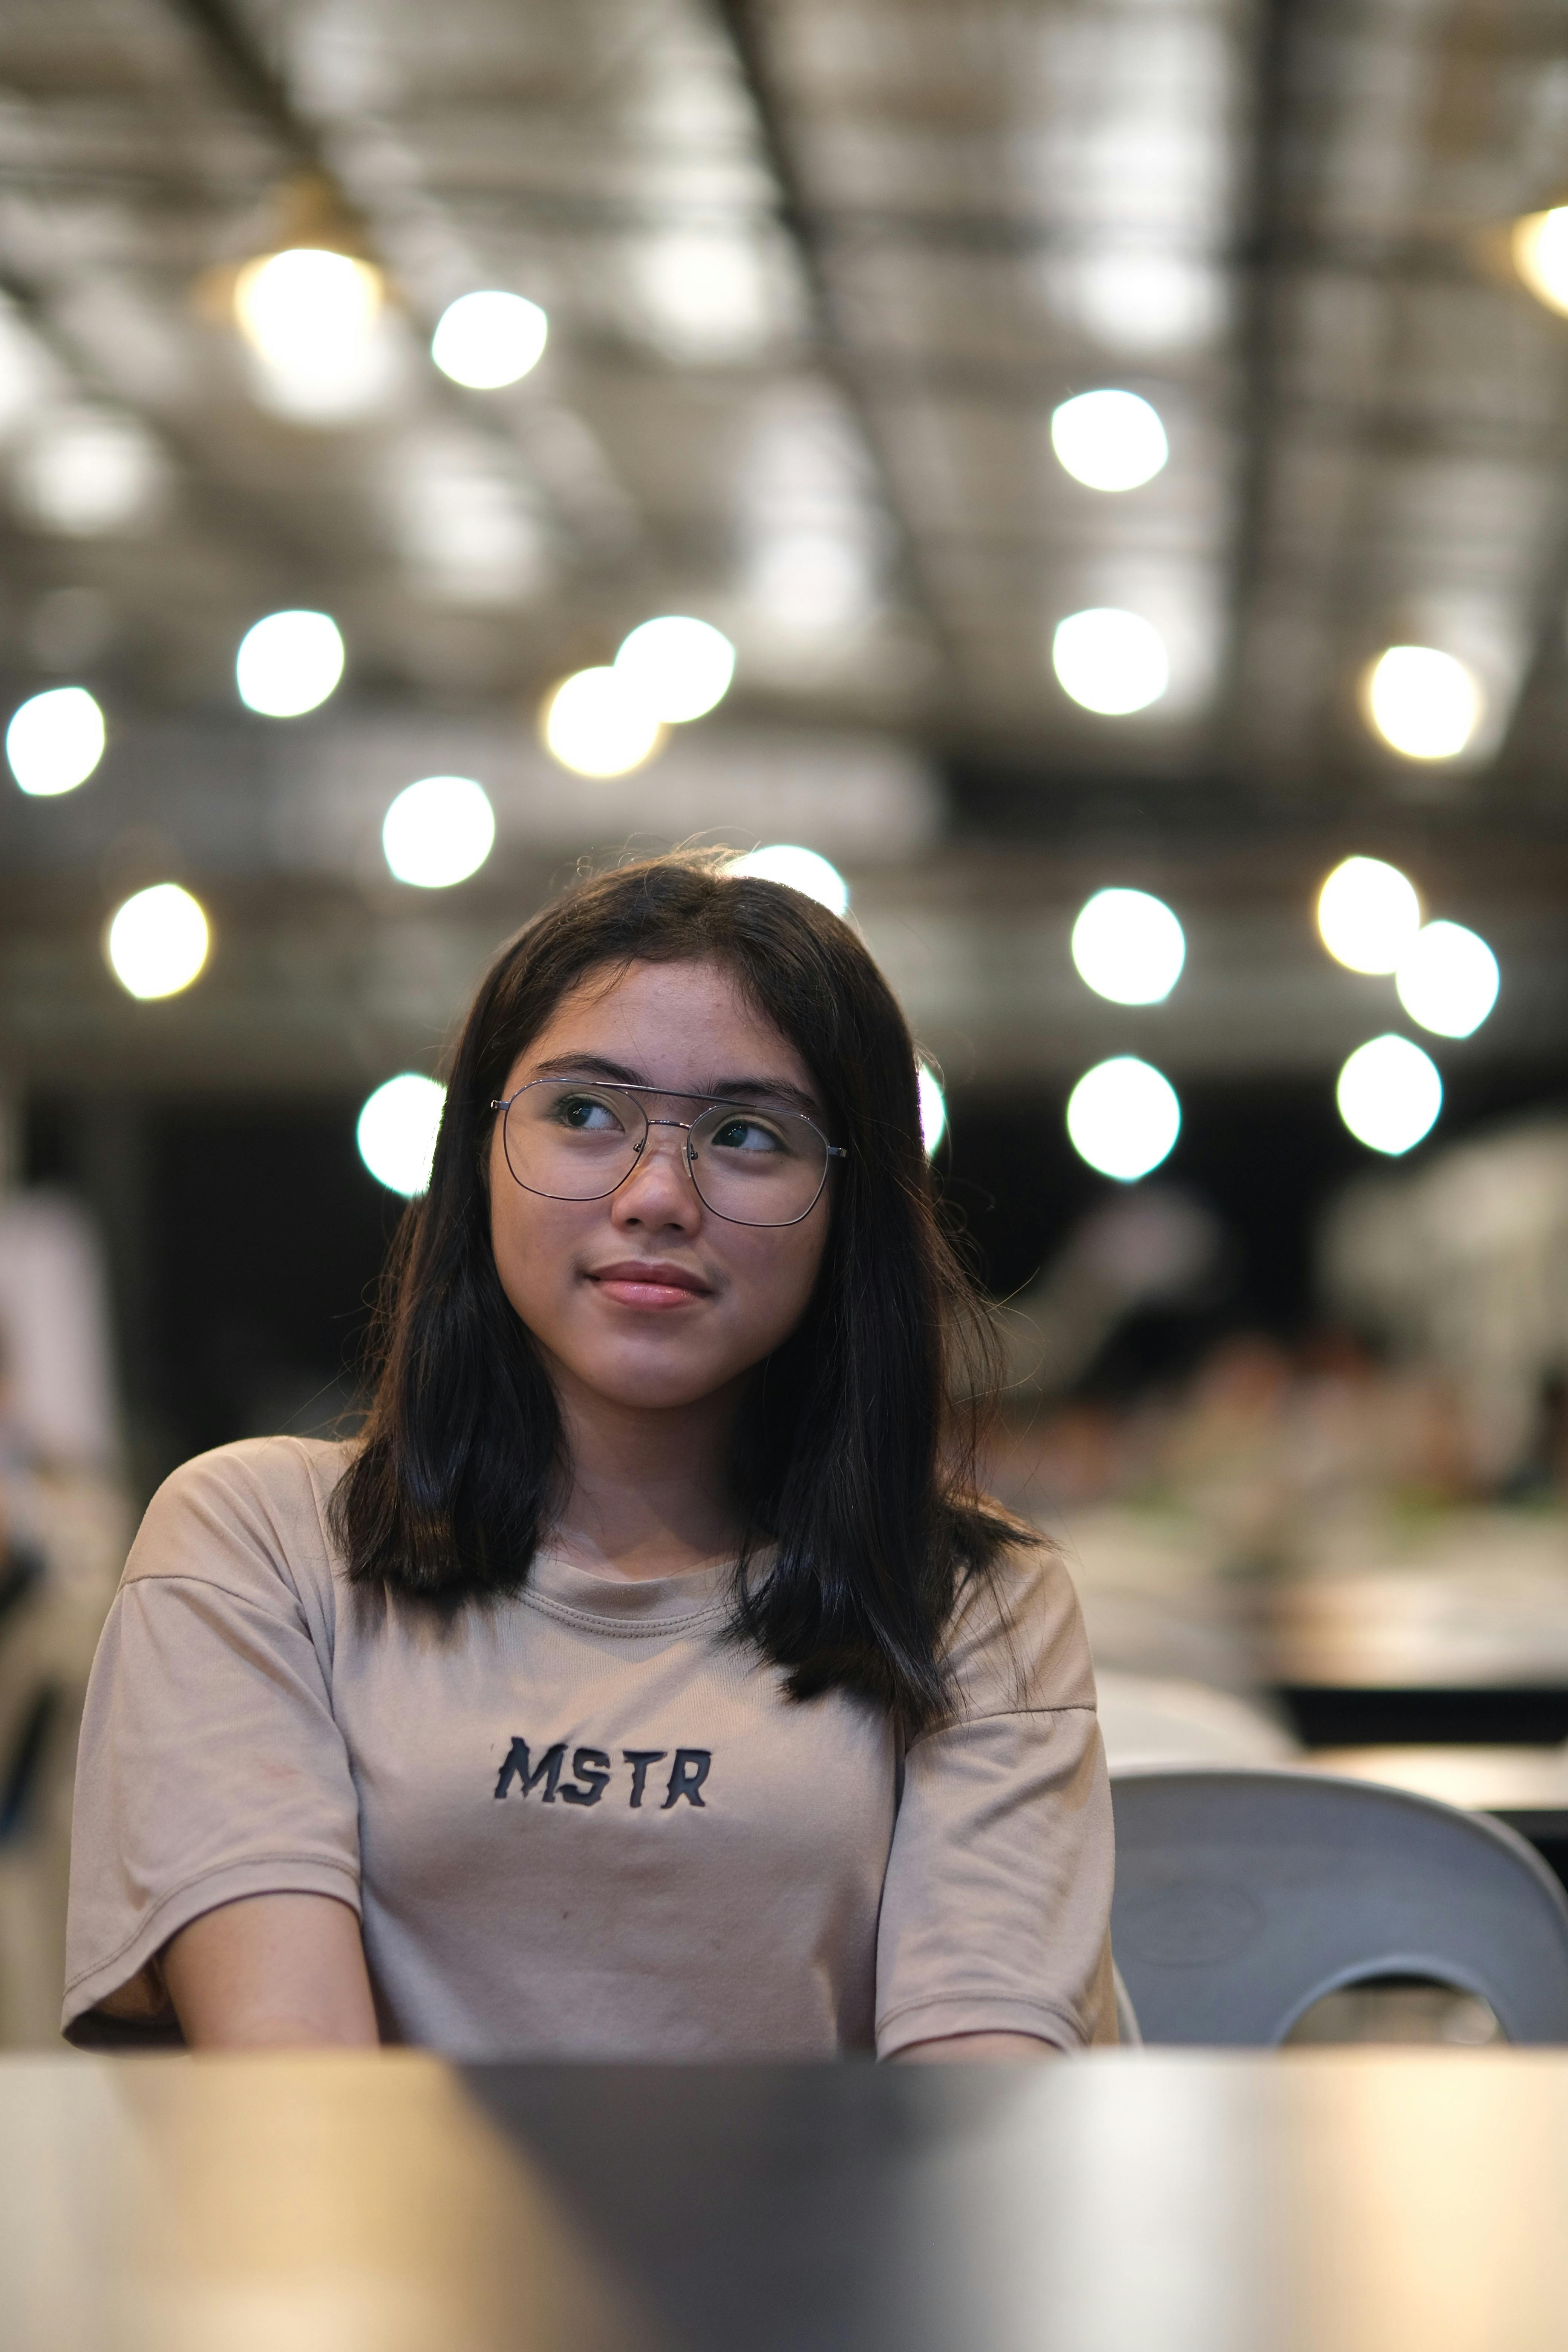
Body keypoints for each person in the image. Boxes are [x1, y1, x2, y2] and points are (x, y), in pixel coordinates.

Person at [63, 855, 1116, 2058]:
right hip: (371, 2240)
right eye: (583, 1114)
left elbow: (974, 2137)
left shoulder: (973, 1603)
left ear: (849, 1208)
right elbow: (298, 2102)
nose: (656, 1193)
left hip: (829, 2252)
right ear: (478, 1157)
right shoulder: (261, 1547)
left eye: (746, 1134)